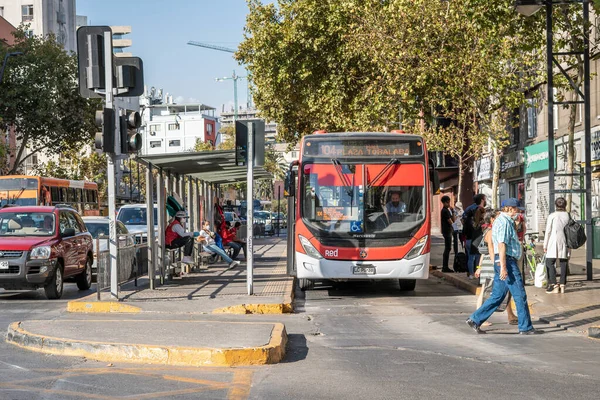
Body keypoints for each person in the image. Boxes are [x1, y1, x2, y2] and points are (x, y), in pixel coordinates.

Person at [466, 198, 540, 335]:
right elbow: (501, 244)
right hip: (507, 262)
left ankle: (475, 319)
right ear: (510, 209)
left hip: (503, 261)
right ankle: (525, 327)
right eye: (517, 209)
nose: (518, 212)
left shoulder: (504, 221)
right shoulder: (504, 222)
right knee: (520, 294)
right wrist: (504, 266)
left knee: (498, 295)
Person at [474, 209, 518, 326]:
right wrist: (497, 264)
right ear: (493, 219)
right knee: (486, 290)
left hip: (493, 262)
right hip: (492, 263)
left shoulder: (494, 229)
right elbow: (490, 250)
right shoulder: (490, 231)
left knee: (505, 288)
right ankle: (479, 316)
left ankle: (510, 314)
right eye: (498, 216)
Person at [543, 197, 571, 294]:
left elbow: (548, 231)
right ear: (565, 205)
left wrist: (545, 244)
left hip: (553, 241)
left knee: (549, 262)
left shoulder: (552, 215)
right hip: (565, 241)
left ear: (556, 205)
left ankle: (554, 285)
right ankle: (562, 285)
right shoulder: (568, 215)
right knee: (563, 263)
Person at [462, 194, 486, 279]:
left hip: (468, 239)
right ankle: (477, 273)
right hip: (476, 239)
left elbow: (463, 227)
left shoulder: (468, 214)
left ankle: (471, 274)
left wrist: (464, 239)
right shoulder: (480, 223)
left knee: (471, 257)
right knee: (478, 258)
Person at [440, 195, 455, 273]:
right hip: (447, 231)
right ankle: (445, 266)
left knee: (448, 248)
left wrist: (452, 211)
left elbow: (453, 219)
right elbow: (451, 221)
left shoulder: (447, 210)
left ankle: (445, 266)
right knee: (447, 248)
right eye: (448, 202)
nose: (449, 204)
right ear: (444, 203)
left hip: (448, 231)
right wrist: (455, 227)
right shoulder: (444, 211)